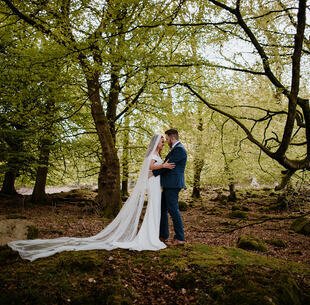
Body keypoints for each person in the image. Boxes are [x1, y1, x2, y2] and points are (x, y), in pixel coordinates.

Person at [8, 134, 175, 261]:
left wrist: (164, 166)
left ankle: (152, 236)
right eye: (161, 140)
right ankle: (149, 238)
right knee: (153, 211)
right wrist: (164, 165)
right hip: (153, 185)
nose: (162, 143)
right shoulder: (152, 156)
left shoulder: (157, 154)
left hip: (156, 185)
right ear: (156, 142)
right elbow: (151, 168)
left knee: (155, 212)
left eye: (163, 141)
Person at [153, 129, 187, 245]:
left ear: (172, 138)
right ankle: (163, 235)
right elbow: (166, 165)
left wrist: (152, 173)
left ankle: (180, 238)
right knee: (162, 208)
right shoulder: (175, 149)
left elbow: (167, 166)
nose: (166, 142)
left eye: (167, 139)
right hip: (169, 184)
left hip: (173, 184)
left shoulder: (179, 150)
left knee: (173, 210)